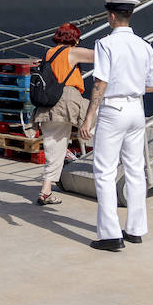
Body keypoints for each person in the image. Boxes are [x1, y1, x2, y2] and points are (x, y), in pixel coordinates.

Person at [79, 0, 153, 252]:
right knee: (135, 170)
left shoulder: (105, 44)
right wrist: (132, 85)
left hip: (113, 109)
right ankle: (135, 230)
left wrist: (89, 116)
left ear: (112, 17)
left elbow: (100, 83)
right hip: (137, 108)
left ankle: (111, 235)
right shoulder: (144, 45)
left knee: (104, 171)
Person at [31, 23, 95, 206]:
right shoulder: (72, 52)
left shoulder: (48, 53)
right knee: (98, 115)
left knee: (54, 148)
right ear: (74, 38)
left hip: (48, 105)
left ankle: (45, 191)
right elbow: (99, 55)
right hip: (68, 101)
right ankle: (108, 159)